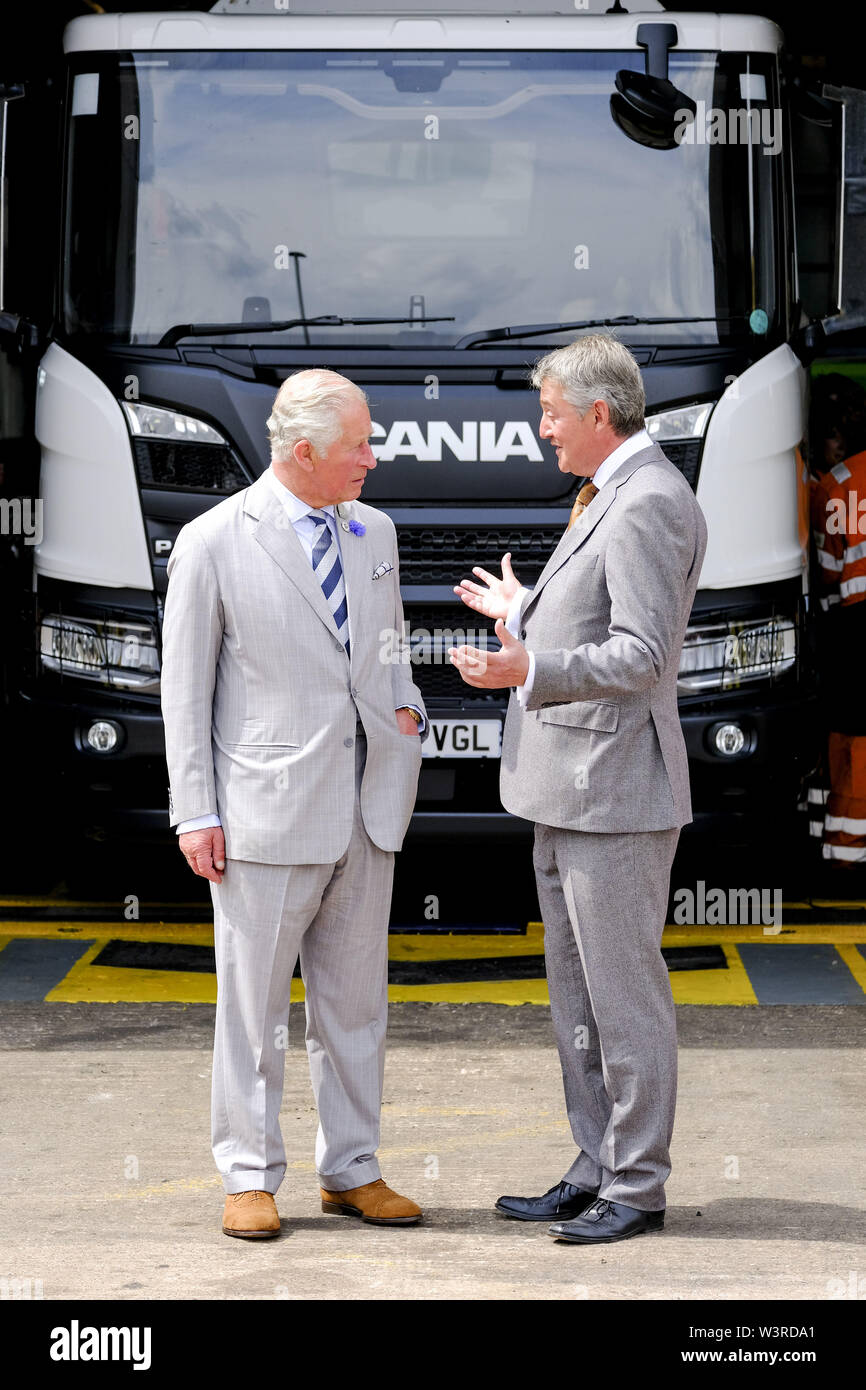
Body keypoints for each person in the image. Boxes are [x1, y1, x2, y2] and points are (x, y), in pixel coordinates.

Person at [451, 334, 707, 1244]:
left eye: (552, 414)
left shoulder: (647, 504)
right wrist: (523, 612)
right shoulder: (609, 492)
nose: (543, 430)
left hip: (616, 790)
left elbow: (643, 654)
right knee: (577, 996)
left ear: (599, 415)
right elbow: (598, 613)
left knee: (623, 997)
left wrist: (533, 661)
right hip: (568, 787)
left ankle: (637, 1185)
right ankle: (597, 1163)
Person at [160, 369, 427, 1238]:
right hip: (263, 817)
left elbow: (388, 648)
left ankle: (352, 1169)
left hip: (367, 806)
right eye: (360, 445)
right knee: (253, 1011)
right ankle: (248, 1175)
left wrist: (409, 711)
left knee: (356, 1003)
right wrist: (193, 810)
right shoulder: (212, 540)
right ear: (304, 451)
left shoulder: (375, 531)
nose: (374, 459)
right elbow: (184, 691)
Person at [808, 372, 866, 864]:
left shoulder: (836, 486)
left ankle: (846, 845)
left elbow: (827, 571)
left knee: (850, 730)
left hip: (855, 627)